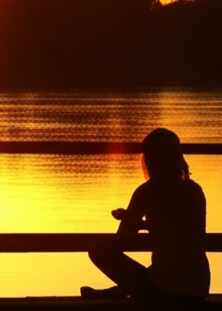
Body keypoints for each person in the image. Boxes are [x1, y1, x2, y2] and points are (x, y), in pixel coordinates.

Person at [81, 128, 210, 299]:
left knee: (98, 251)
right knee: (162, 270)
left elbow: (122, 240)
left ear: (149, 159)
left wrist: (128, 219)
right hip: (199, 286)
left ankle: (114, 293)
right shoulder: (195, 190)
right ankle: (113, 293)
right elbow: (183, 232)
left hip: (166, 289)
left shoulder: (146, 192)